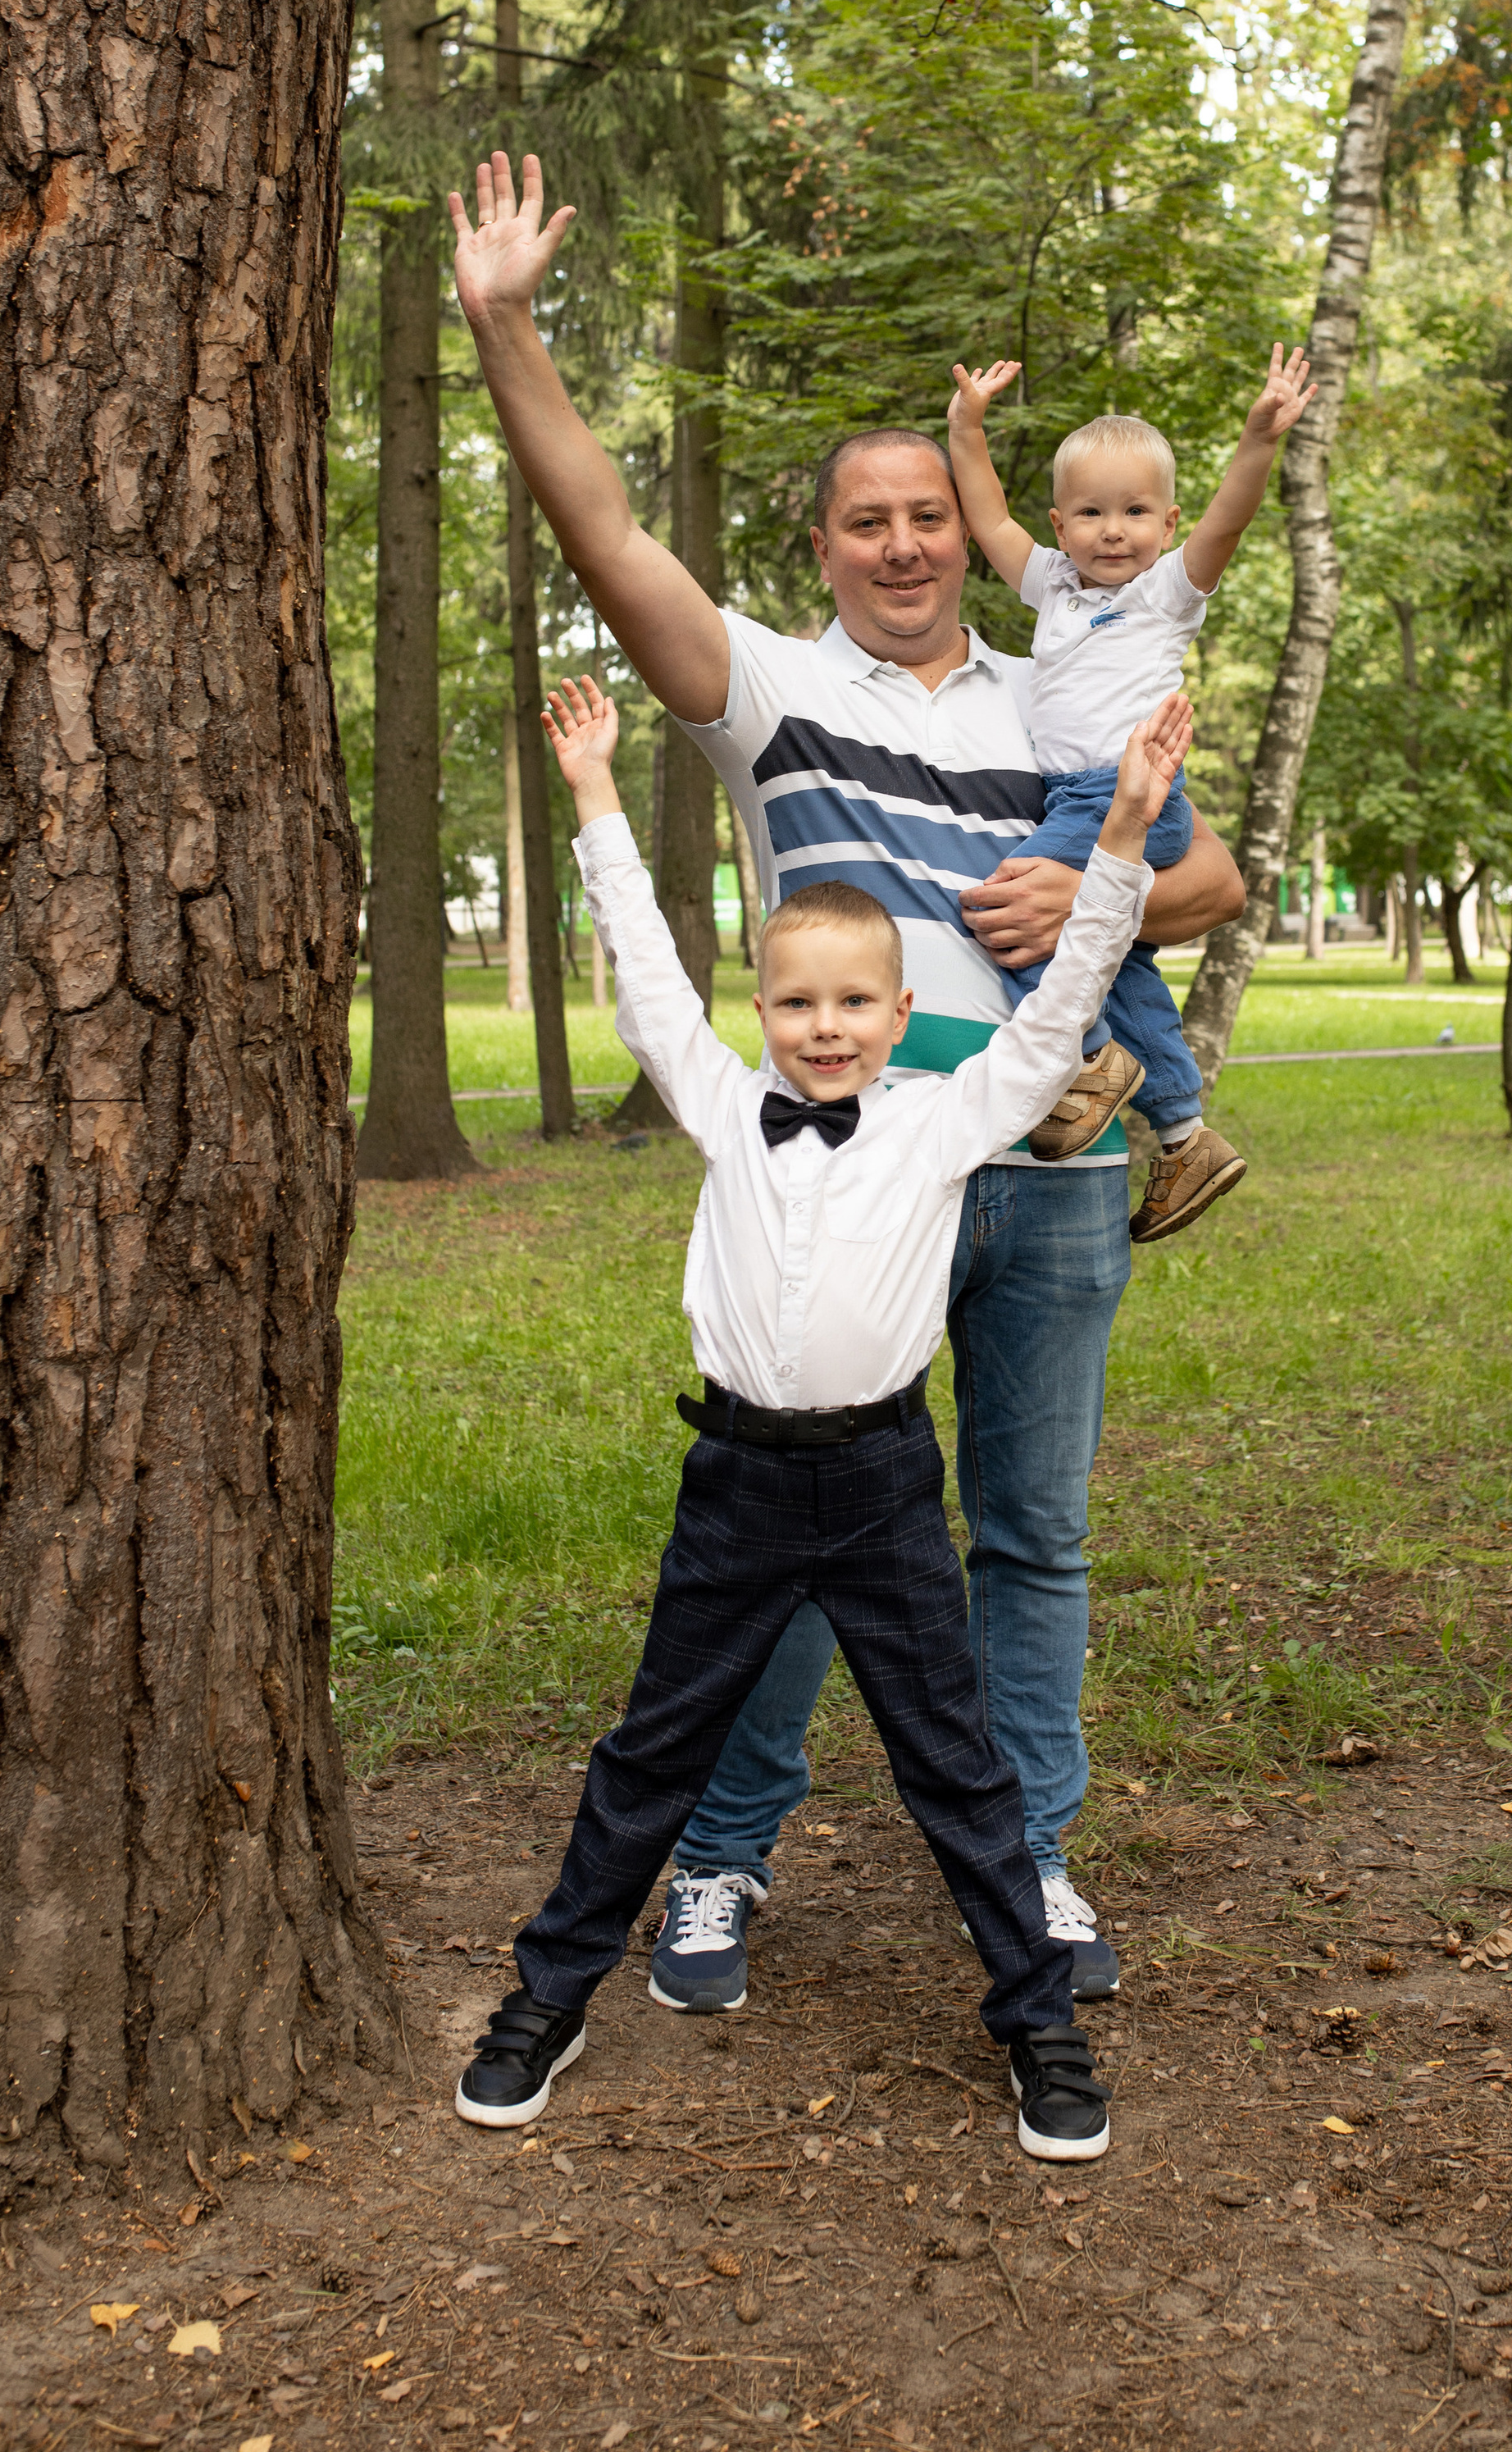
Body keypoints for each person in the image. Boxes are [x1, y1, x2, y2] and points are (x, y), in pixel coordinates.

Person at [449, 152, 1246, 2021]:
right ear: (820, 549)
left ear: (970, 538)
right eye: (860, 520)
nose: (897, 541)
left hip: (1044, 1174)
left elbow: (1207, 877)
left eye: (922, 514)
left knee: (1026, 1534)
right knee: (801, 1544)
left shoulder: (1059, 700)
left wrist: (1086, 884)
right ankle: (720, 1858)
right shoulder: (766, 697)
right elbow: (605, 537)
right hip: (837, 1186)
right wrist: (503, 325)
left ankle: (1030, 1860)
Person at [453, 676, 1192, 2154]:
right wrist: (597, 794)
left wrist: (1117, 835)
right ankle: (546, 2000)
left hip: (878, 1487)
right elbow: (651, 976)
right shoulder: (727, 1105)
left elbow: (1056, 1013)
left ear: (901, 1015)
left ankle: (1037, 2023)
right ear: (765, 1011)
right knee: (651, 1755)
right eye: (797, 1002)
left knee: (955, 1764)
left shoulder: (948, 1117)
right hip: (734, 1481)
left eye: (856, 1003)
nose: (826, 1028)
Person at [945, 349, 1313, 1240]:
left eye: (1136, 512)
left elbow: (1227, 522)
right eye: (1092, 514)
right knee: (1123, 958)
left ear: (1166, 521)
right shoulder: (1053, 589)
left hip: (1124, 794)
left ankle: (1088, 1059)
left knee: (1013, 906)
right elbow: (985, 517)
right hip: (1079, 795)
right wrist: (966, 429)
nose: (1114, 532)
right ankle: (1186, 1135)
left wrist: (1258, 441)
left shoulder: (1163, 594)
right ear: (1061, 524)